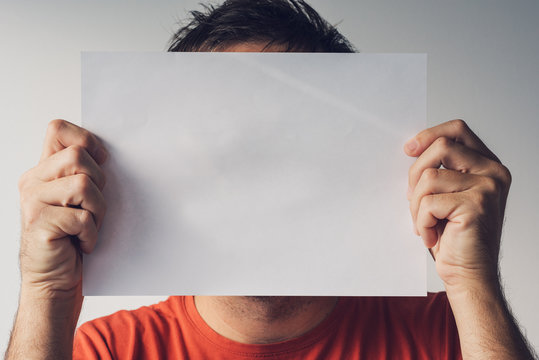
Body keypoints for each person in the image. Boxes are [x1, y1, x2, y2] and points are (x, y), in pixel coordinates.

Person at [5, 0, 536, 359]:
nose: (256, 174)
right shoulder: (108, 349)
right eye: (220, 140)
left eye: (295, 137)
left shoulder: (452, 333)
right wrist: (44, 295)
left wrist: (474, 282)